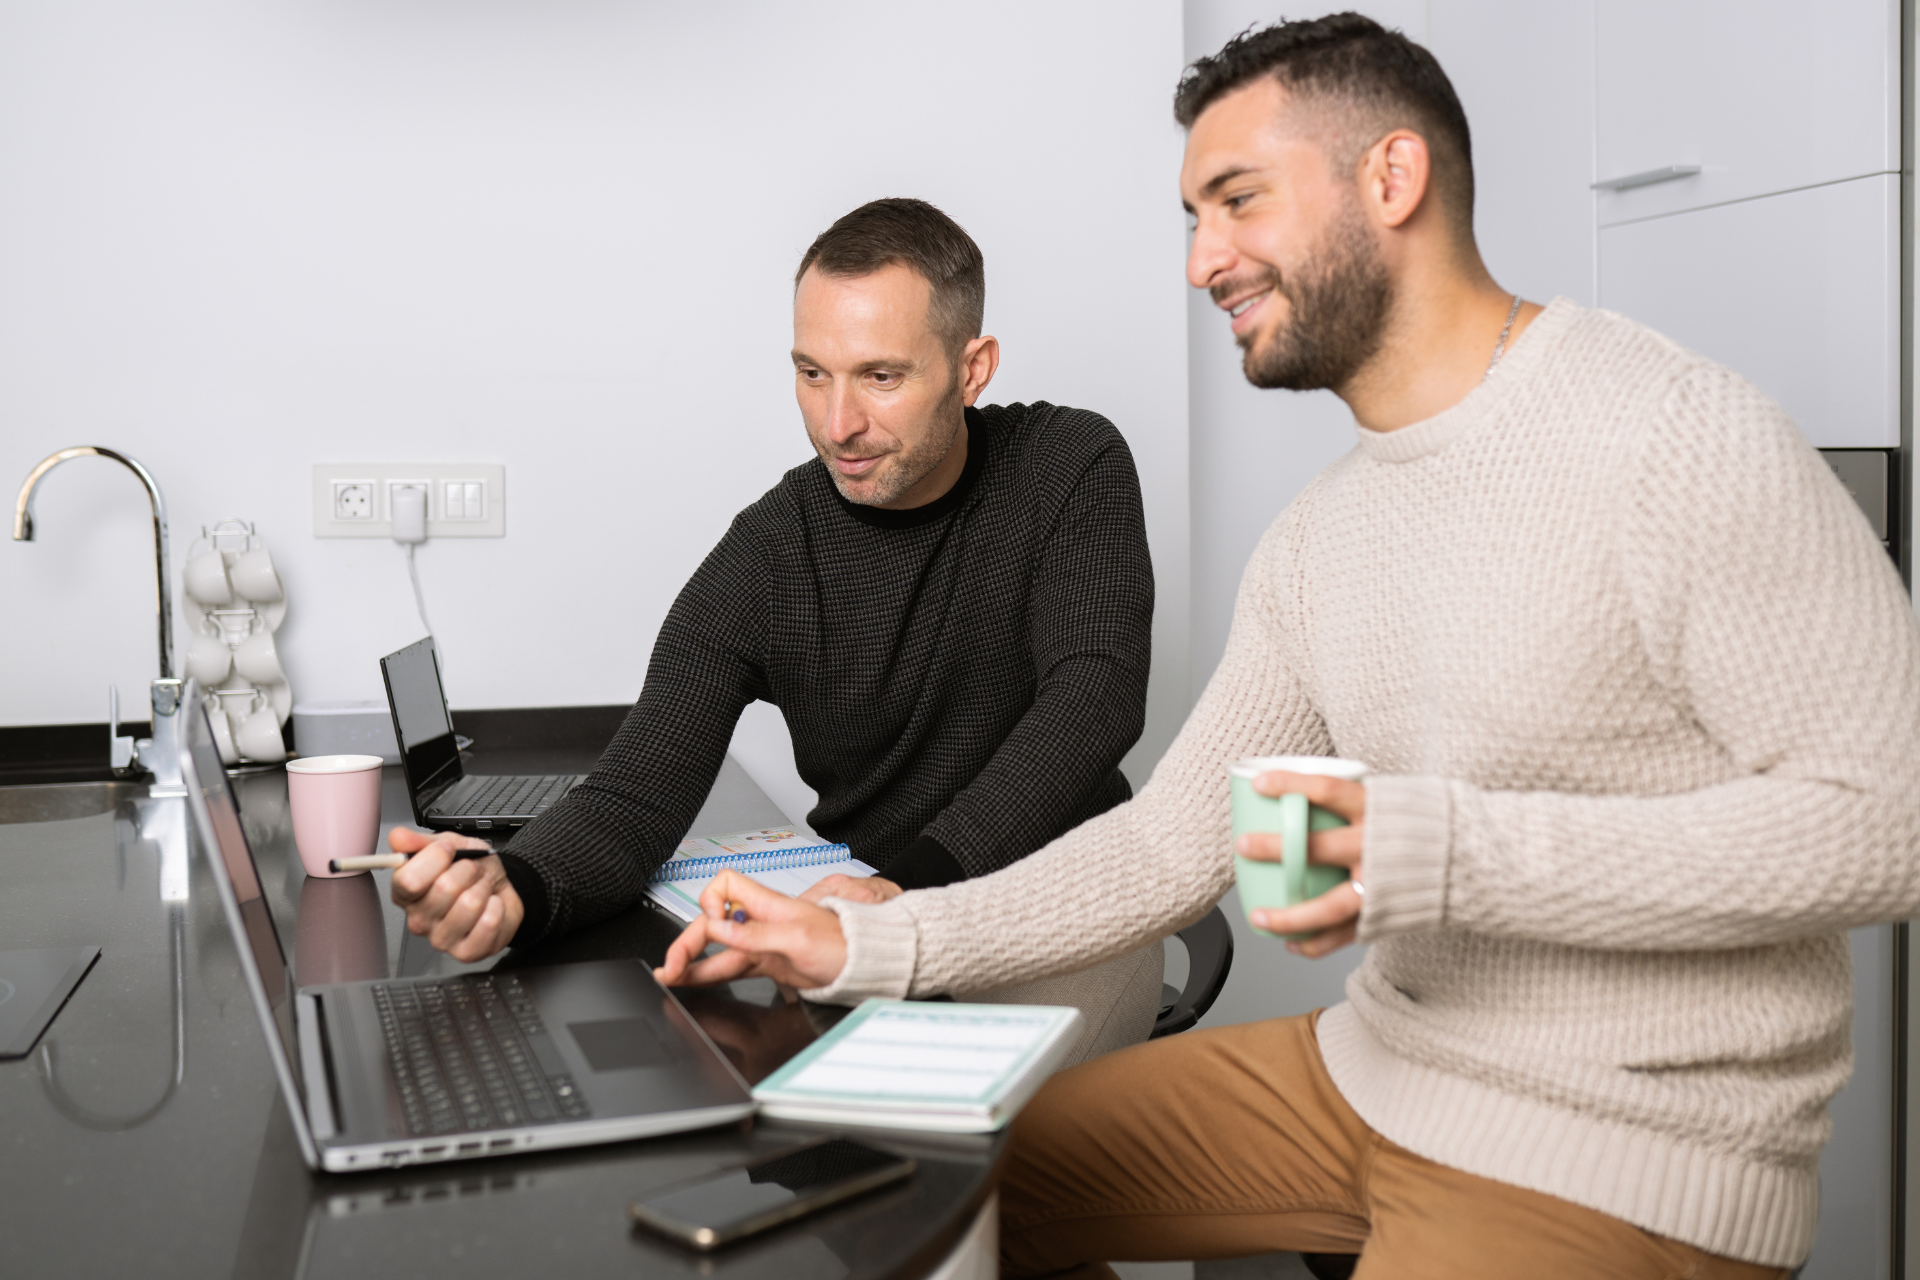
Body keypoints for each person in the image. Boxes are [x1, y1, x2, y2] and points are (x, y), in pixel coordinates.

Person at [653, 15, 1920, 1279]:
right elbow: (1168, 841)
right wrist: (869, 940)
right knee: (906, 1197)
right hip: (1374, 1071)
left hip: (1618, 1145)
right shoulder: (1325, 534)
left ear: (1391, 176)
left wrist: (1438, 846)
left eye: (1238, 200)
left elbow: (1890, 820)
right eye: (1193, 216)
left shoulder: (1671, 436)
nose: (1203, 260)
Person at [388, 197, 1165, 1062]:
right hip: (867, 929)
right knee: (786, 1132)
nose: (839, 426)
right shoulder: (771, 551)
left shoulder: (1070, 465)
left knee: (977, 1153)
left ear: (972, 368)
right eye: (811, 372)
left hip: (1056, 913)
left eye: (881, 377)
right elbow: (638, 790)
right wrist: (515, 887)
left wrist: (904, 893)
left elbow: (1093, 699)